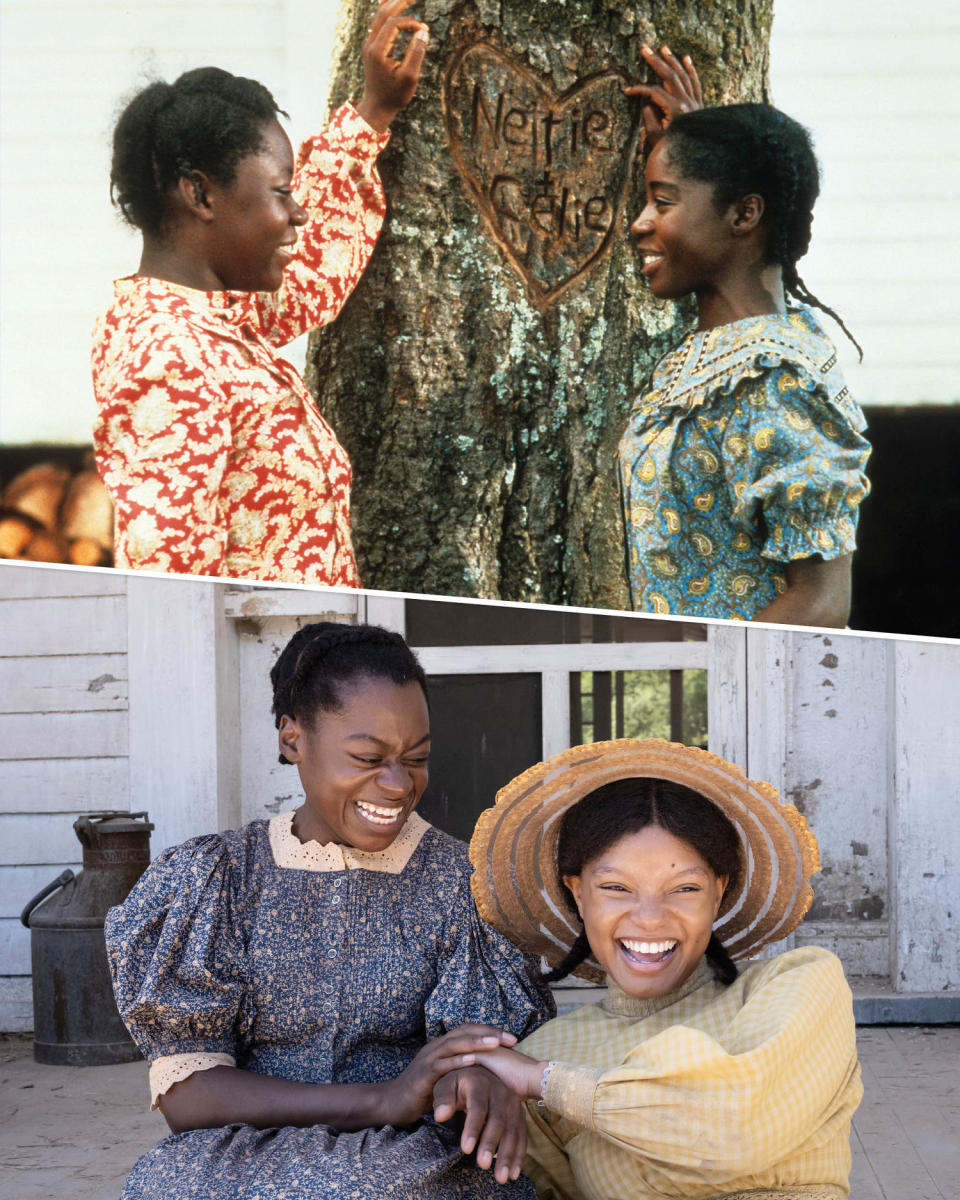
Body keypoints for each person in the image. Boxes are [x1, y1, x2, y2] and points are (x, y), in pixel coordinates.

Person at [104, 622, 554, 1199]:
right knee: (162, 1183)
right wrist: (380, 1097)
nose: (397, 785)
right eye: (367, 757)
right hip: (248, 1146)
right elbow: (187, 1095)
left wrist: (469, 1080)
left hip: (408, 1155)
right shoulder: (218, 878)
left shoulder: (459, 885)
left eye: (416, 758)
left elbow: (476, 1057)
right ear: (292, 738)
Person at [92, 1, 428, 584]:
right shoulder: (169, 355)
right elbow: (171, 587)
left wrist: (371, 113)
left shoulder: (215, 321)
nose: (297, 213)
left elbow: (310, 277)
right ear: (200, 195)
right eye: (280, 192)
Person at [468, 738, 863, 1199]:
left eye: (684, 888)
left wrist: (544, 1081)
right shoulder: (548, 1049)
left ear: (719, 891)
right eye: (616, 887)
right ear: (577, 893)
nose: (651, 917)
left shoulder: (799, 986)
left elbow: (734, 1131)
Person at [618, 50, 871, 625]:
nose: (638, 223)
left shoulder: (777, 378)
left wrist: (703, 703)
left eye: (663, 201)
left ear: (744, 214)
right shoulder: (723, 356)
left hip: (736, 702)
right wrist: (708, 146)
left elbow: (822, 603)